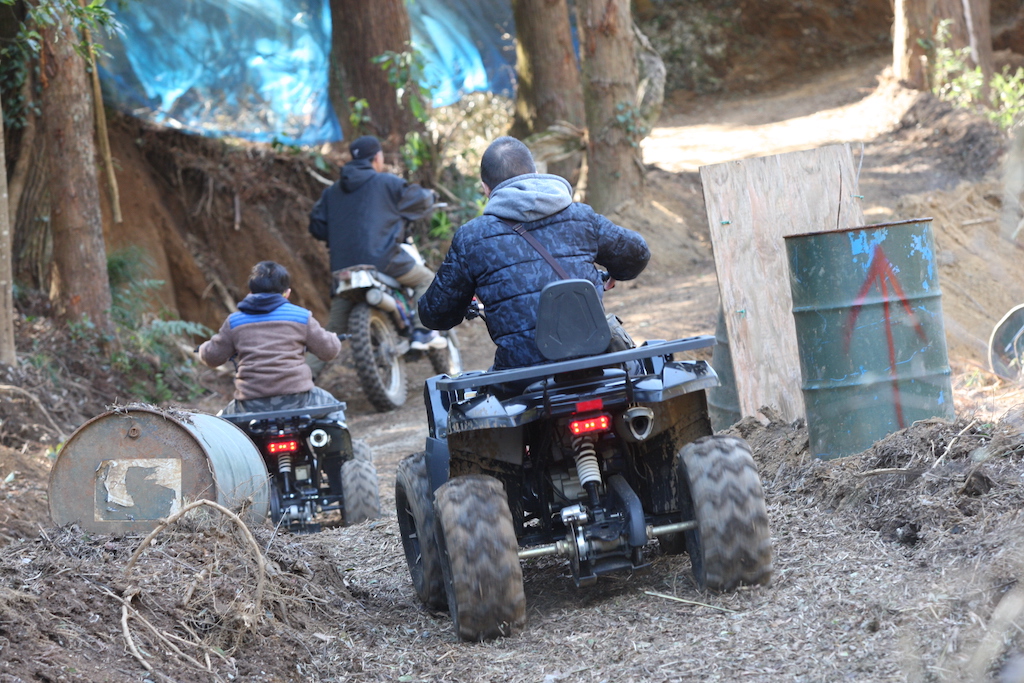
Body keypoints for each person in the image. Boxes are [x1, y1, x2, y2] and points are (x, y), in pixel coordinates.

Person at [418, 136, 650, 370]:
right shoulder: (581, 217)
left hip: (520, 377)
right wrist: (615, 272)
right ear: (536, 173)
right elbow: (637, 254)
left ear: (486, 188)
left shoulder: (472, 238)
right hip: (595, 366)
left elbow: (434, 315)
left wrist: (462, 300)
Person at [308, 135, 445, 360]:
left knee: (333, 330)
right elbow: (418, 199)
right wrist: (431, 195)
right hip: (383, 260)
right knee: (427, 280)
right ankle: (422, 333)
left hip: (344, 267)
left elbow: (317, 227)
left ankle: (306, 375)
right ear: (377, 158)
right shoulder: (387, 183)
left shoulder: (331, 193)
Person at [198, 261, 342, 414]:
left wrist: (203, 349)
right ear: (287, 293)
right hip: (297, 400)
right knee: (335, 409)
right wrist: (333, 337)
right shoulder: (301, 317)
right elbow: (329, 351)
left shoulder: (235, 321)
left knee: (223, 422)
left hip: (250, 403)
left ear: (251, 292)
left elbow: (212, 357)